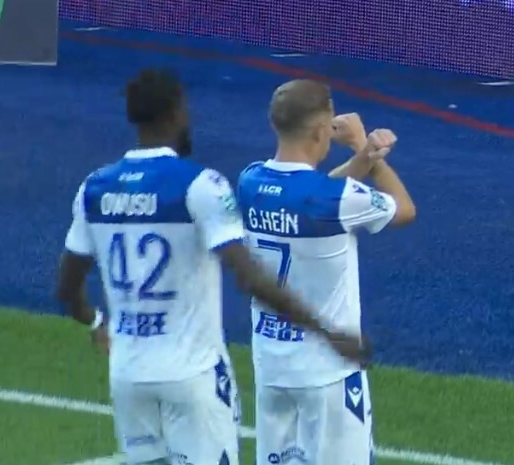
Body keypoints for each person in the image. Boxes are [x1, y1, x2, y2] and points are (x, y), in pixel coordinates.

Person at [55, 69, 367, 465]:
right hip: (193, 376)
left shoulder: (94, 188)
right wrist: (326, 331)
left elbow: (66, 289)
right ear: (175, 114)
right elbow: (250, 278)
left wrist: (97, 321)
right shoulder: (200, 185)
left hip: (128, 374)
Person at [238, 79, 416, 465]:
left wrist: (363, 157)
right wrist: (366, 150)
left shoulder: (250, 182)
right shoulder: (333, 200)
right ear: (322, 131)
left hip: (272, 368)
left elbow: (310, 195)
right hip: (328, 373)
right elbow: (404, 209)